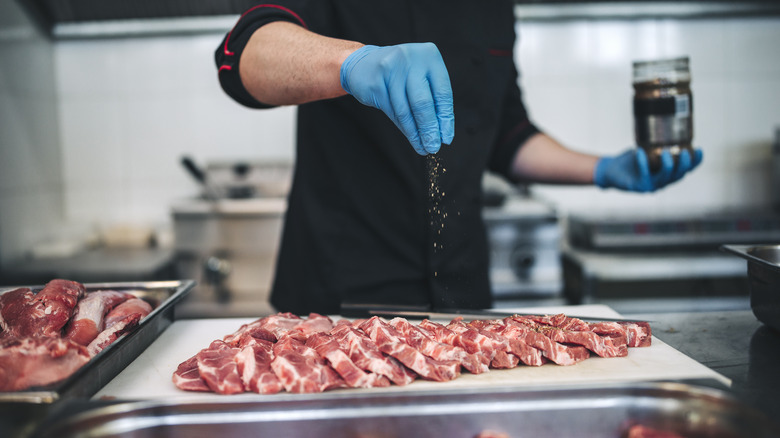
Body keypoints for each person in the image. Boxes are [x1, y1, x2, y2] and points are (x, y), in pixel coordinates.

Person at [214, 1, 702, 315]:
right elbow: (243, 56)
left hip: (461, 296)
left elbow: (507, 136)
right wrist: (352, 63)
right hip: (339, 296)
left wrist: (603, 170)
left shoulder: (492, 8)